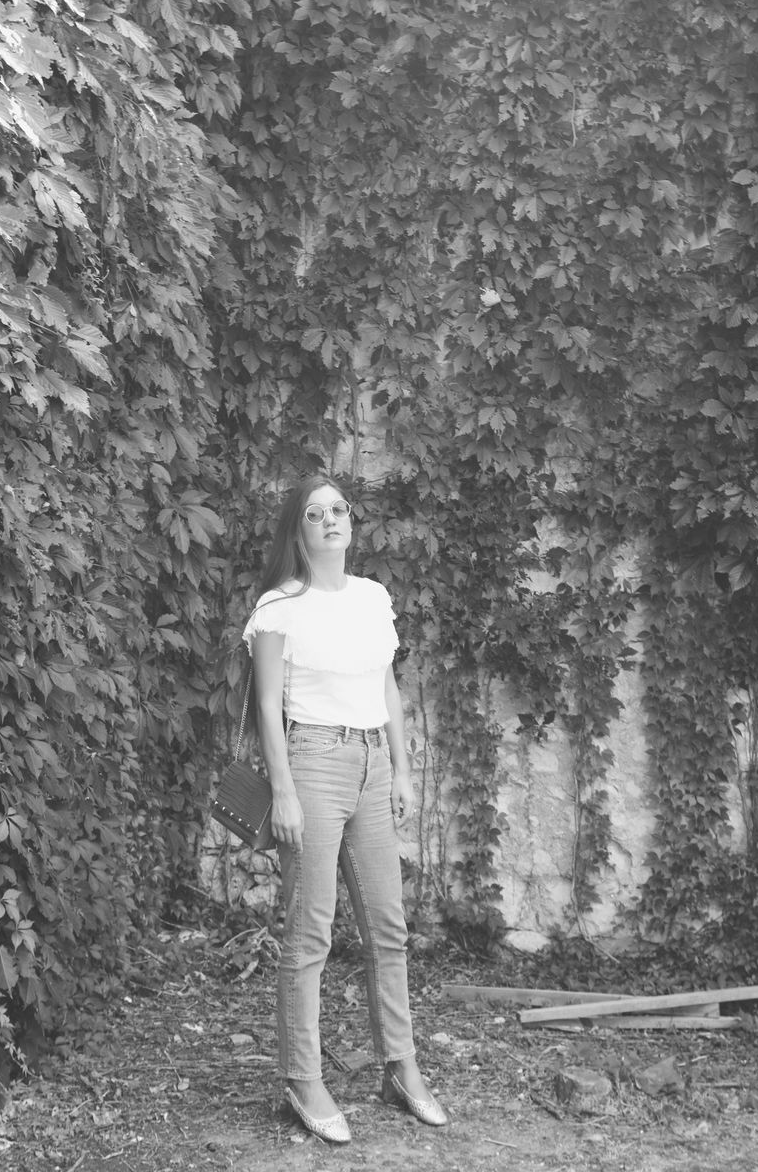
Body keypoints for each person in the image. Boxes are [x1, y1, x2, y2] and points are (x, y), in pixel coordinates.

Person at [242, 475, 448, 1144]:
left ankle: (400, 1067)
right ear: (296, 531)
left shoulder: (372, 597)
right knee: (311, 934)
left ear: (350, 523)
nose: (329, 520)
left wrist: (401, 769)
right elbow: (268, 704)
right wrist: (283, 790)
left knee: (388, 928)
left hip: (371, 764)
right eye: (313, 513)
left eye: (337, 510)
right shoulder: (279, 606)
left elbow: (385, 685)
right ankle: (303, 1078)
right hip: (313, 763)